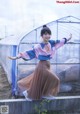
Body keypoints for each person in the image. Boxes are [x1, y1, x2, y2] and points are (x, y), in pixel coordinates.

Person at [8, 25, 72, 100]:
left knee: (41, 82)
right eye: (45, 34)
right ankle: (42, 93)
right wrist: (17, 57)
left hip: (47, 65)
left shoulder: (52, 43)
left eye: (49, 34)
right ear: (41, 36)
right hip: (42, 66)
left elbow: (61, 42)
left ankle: (29, 92)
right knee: (55, 79)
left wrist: (68, 38)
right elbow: (29, 52)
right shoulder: (38, 46)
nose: (47, 35)